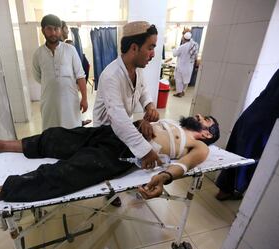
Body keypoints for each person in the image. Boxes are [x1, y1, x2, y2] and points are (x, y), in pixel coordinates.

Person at [0, 114, 219, 226]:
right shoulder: (173, 124)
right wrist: (142, 121)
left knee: (63, 175)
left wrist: (162, 177)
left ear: (207, 134)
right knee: (57, 137)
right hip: (116, 133)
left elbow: (182, 167)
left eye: (206, 120)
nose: (199, 117)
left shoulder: (200, 147)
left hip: (123, 155)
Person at [93, 21, 160, 206]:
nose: (153, 54)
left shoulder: (137, 70)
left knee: (129, 157)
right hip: (104, 131)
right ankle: (110, 192)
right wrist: (146, 151)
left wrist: (149, 107)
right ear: (134, 47)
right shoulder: (111, 76)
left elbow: (143, 91)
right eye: (150, 47)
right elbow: (118, 119)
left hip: (122, 127)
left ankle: (128, 183)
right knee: (109, 166)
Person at [215, 68, 279, 200]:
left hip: (252, 114)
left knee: (236, 151)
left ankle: (225, 189)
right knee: (250, 158)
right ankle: (237, 189)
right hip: (265, 121)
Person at [32, 14, 88, 130]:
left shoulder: (70, 50)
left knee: (73, 131)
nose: (53, 33)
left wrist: (84, 98)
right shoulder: (38, 54)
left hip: (70, 101)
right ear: (43, 30)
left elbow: (80, 76)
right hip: (49, 102)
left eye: (56, 29)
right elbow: (38, 77)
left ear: (60, 30)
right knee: (52, 133)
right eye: (49, 29)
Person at [172, 31, 198, 97]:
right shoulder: (194, 45)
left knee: (179, 80)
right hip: (189, 67)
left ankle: (179, 93)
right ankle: (183, 91)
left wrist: (173, 48)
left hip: (181, 67)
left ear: (184, 38)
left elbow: (175, 54)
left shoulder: (182, 46)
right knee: (186, 80)